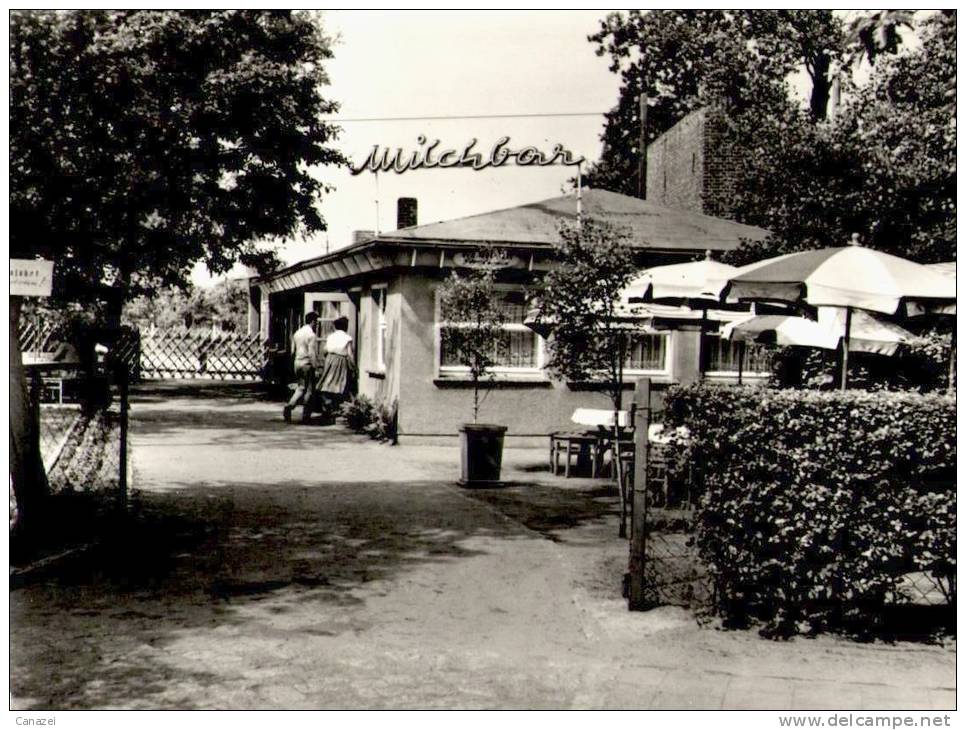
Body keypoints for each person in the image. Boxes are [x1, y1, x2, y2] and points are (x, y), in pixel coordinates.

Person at [283, 311, 320, 423]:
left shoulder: (297, 333)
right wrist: (316, 367)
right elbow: (312, 352)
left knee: (300, 387)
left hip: (297, 362)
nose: (317, 325)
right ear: (313, 321)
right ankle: (306, 415)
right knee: (309, 390)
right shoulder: (311, 335)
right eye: (316, 322)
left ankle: (289, 406)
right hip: (307, 363)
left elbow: (293, 350)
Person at [316, 315, 355, 408]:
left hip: (330, 359)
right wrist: (353, 366)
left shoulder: (330, 336)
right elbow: (350, 353)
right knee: (339, 383)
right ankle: (335, 405)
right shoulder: (347, 337)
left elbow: (325, 349)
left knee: (327, 382)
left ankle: (328, 402)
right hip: (340, 361)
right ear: (346, 326)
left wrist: (326, 358)